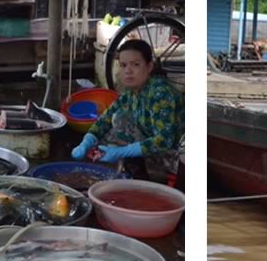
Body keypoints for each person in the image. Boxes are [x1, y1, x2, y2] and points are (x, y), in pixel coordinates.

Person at [70, 39, 183, 183]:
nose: (128, 71)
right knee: (117, 119)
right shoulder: (130, 93)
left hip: (175, 158)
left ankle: (155, 179)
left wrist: (121, 152)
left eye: (135, 65)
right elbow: (105, 120)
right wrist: (87, 142)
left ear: (149, 66)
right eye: (123, 65)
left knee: (120, 122)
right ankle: (138, 175)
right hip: (153, 151)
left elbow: (164, 141)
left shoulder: (161, 93)